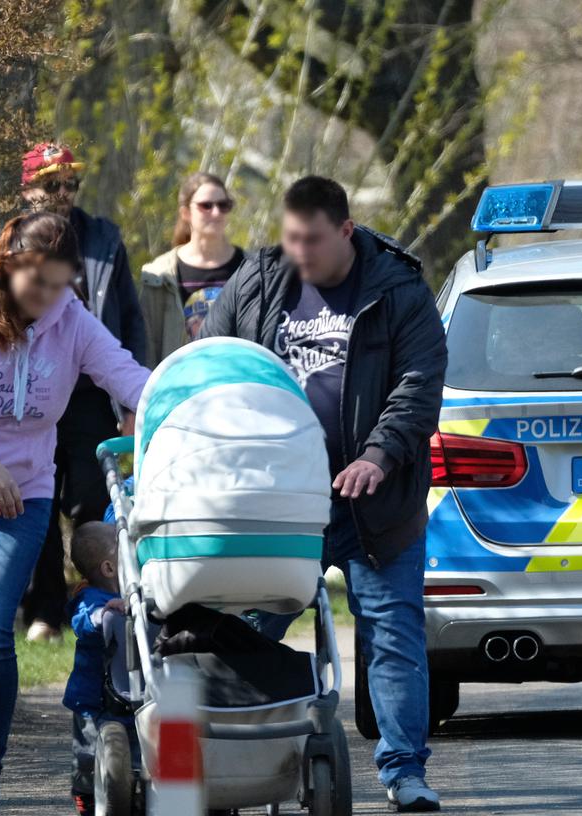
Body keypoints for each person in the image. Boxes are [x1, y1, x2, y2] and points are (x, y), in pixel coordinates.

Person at [201, 176, 447, 812]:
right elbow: (214, 364)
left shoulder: (397, 288)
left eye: (311, 240)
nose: (298, 252)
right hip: (280, 501)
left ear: (345, 231)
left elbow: (419, 385)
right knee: (245, 628)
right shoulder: (256, 282)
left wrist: (379, 455)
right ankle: (227, 764)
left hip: (375, 502)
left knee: (392, 634)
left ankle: (404, 773)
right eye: (289, 237)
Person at [0, 212, 151, 816]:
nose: (47, 299)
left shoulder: (71, 322)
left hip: (24, 496)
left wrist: (198, 402)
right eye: (37, 283)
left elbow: (132, 378)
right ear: (8, 263)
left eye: (60, 286)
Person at [15, 142, 148, 643]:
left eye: (71, 183)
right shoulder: (12, 243)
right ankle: (46, 613)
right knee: (39, 504)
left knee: (92, 503)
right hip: (34, 395)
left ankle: (98, 606)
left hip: (94, 393)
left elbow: (130, 322)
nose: (64, 193)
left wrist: (135, 403)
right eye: (52, 184)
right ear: (27, 190)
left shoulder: (104, 237)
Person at [63, 522, 134, 816]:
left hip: (127, 695)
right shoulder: (89, 597)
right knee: (87, 755)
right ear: (108, 568)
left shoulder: (133, 594)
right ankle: (86, 797)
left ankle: (131, 794)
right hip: (92, 699)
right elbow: (82, 621)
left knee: (130, 750)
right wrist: (103, 614)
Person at [140, 172, 245, 366]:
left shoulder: (252, 269)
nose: (216, 212)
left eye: (223, 205)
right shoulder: (158, 275)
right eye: (206, 205)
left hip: (236, 386)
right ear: (185, 213)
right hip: (180, 389)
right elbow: (148, 346)